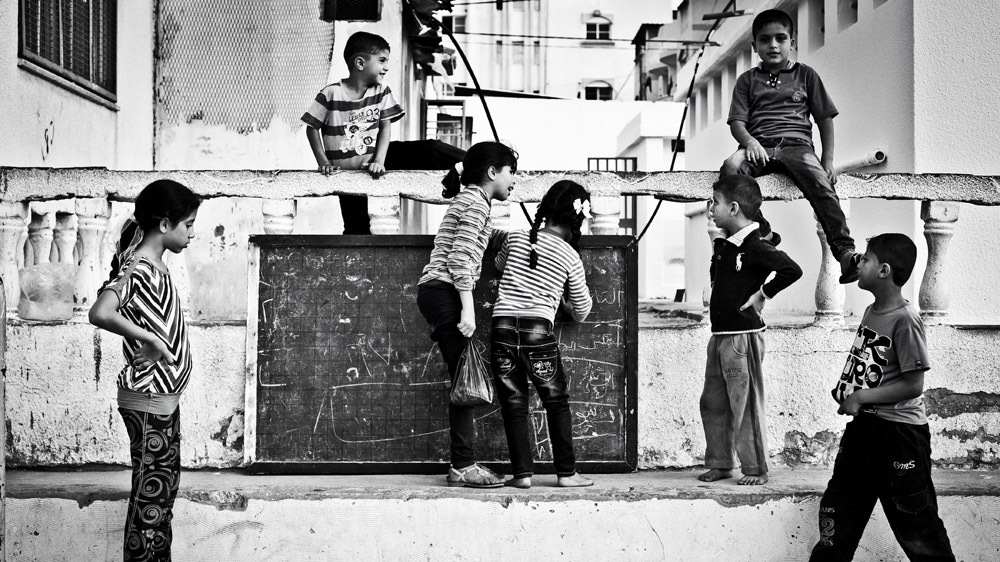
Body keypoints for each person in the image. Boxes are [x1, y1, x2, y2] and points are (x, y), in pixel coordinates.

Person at [810, 233, 955, 561]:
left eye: (867, 258)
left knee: (917, 526)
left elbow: (913, 385)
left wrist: (862, 396)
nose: (859, 262)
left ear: (885, 271)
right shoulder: (871, 310)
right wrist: (848, 389)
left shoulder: (906, 321)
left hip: (899, 437)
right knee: (837, 511)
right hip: (864, 431)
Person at [88, 179, 201, 561]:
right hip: (149, 402)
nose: (191, 232)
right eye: (187, 224)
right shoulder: (137, 267)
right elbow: (100, 312)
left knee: (161, 498)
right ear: (165, 224)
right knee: (150, 503)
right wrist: (150, 340)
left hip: (161, 402)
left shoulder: (155, 266)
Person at [720, 9, 860, 283]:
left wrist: (827, 160)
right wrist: (750, 142)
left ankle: (845, 253)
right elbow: (737, 123)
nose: (773, 45)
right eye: (765, 39)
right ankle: (763, 233)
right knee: (731, 169)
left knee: (822, 188)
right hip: (757, 146)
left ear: (792, 42)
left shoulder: (806, 75)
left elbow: (824, 119)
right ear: (754, 46)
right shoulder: (747, 81)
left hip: (797, 146)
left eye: (780, 38)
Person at [416, 141, 518, 488]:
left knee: (464, 375)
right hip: (447, 292)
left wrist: (513, 238)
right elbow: (460, 259)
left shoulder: (473, 203)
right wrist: (468, 310)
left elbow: (480, 239)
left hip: (437, 292)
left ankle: (463, 462)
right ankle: (463, 465)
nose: (514, 180)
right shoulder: (475, 204)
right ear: (493, 172)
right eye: (510, 172)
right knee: (465, 378)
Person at [491, 180, 595, 489]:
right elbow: (581, 309)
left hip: (502, 326)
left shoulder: (516, 239)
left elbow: (499, 266)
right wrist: (562, 302)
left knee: (513, 402)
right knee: (555, 401)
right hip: (538, 331)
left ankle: (522, 474)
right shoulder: (569, 257)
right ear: (578, 219)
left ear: (545, 210)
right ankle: (566, 473)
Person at [699, 175, 802, 486]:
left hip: (743, 339)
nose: (709, 209)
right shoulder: (726, 243)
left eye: (713, 203)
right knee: (713, 403)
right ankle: (720, 463)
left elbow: (791, 269)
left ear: (732, 208)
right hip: (719, 337)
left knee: (745, 405)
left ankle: (756, 468)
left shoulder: (755, 245)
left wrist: (763, 294)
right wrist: (716, 239)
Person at [301, 31, 405, 234]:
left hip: (372, 167)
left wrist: (380, 161)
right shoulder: (330, 93)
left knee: (430, 149)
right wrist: (324, 163)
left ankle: (470, 163)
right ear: (360, 63)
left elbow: (385, 126)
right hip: (346, 176)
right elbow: (312, 128)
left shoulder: (381, 92)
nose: (387, 67)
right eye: (382, 60)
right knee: (356, 229)